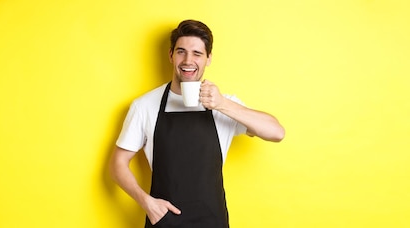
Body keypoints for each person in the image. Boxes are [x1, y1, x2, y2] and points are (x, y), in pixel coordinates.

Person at [109, 19, 285, 228]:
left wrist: (222, 104)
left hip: (213, 221)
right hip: (164, 222)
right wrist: (146, 202)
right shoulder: (145, 105)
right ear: (171, 55)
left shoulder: (224, 104)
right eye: (181, 51)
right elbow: (117, 164)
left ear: (208, 58)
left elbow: (276, 132)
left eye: (197, 54)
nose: (188, 60)